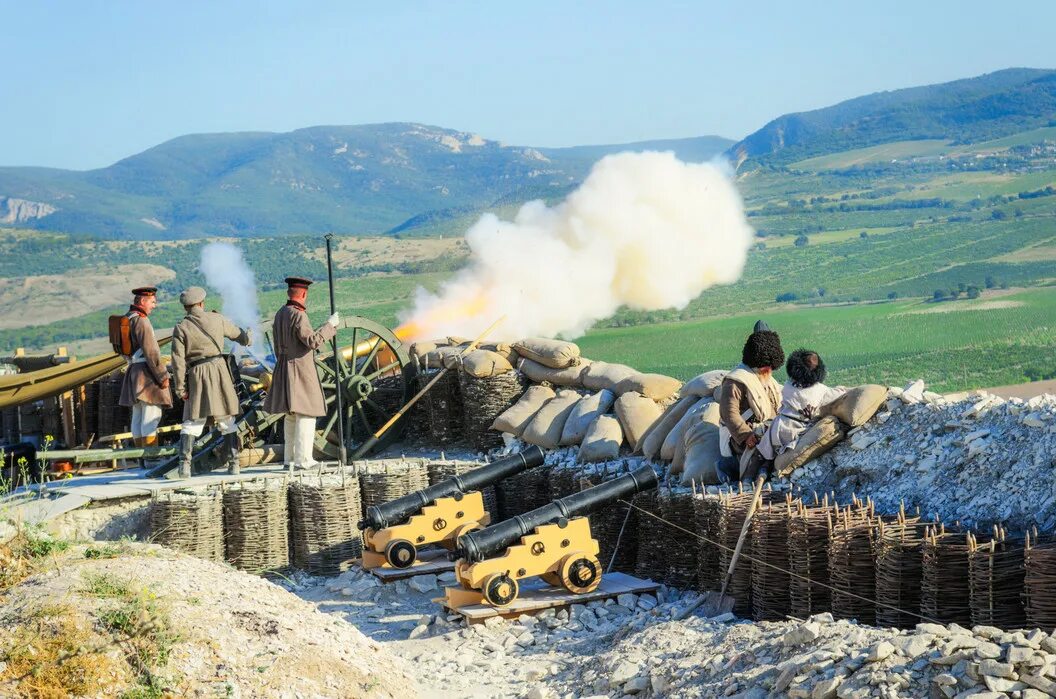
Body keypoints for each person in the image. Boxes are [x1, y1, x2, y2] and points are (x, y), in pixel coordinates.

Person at [170, 286, 252, 478]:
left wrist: (180, 388)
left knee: (192, 421)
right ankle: (234, 464)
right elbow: (239, 336)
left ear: (186, 308)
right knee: (226, 419)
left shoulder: (181, 328)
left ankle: (185, 466)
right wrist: (248, 336)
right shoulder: (217, 319)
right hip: (219, 370)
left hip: (197, 374)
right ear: (201, 303)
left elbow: (177, 362)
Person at [263, 277, 339, 470]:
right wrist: (330, 326)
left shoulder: (281, 313)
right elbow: (312, 341)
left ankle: (289, 460)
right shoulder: (299, 315)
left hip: (283, 367)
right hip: (299, 370)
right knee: (306, 413)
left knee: (291, 415)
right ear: (303, 294)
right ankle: (304, 460)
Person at [718, 324, 784, 481]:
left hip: (767, 431)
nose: (769, 370)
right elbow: (729, 413)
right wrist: (746, 435)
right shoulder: (736, 380)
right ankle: (743, 478)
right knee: (759, 455)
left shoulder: (771, 381)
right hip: (741, 438)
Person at [758, 349, 846, 461]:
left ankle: (759, 470)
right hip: (797, 430)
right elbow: (839, 393)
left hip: (777, 428)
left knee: (762, 453)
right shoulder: (820, 390)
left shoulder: (788, 385)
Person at [117, 286, 173, 447]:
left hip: (133, 370)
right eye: (152, 302)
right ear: (142, 301)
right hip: (146, 373)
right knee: (151, 416)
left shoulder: (127, 318)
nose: (154, 305)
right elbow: (152, 352)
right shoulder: (141, 320)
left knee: (138, 416)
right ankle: (150, 459)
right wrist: (162, 377)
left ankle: (142, 458)